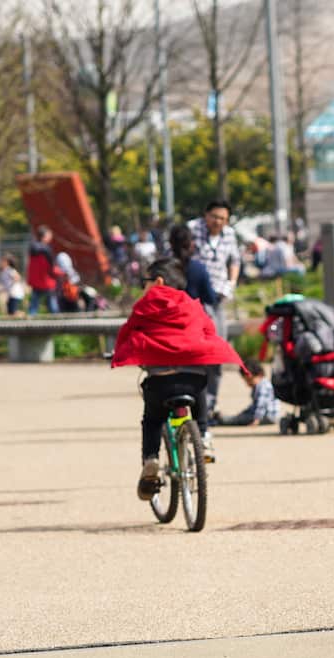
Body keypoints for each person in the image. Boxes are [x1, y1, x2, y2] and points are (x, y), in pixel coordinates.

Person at [110, 257, 242, 500]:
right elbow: (208, 332)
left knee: (152, 419)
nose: (143, 287)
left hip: (160, 382)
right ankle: (203, 436)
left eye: (145, 282)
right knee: (199, 387)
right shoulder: (193, 305)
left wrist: (119, 354)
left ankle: (151, 460)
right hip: (192, 379)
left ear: (158, 282)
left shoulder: (145, 306)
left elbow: (128, 332)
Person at [187, 200, 241, 418]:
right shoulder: (192, 230)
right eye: (214, 217)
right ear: (205, 215)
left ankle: (210, 403)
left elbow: (235, 259)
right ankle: (194, 401)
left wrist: (232, 282)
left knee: (217, 352)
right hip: (195, 299)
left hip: (218, 298)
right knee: (195, 353)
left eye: (223, 219)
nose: (218, 222)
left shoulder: (229, 234)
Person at [215, 359, 278, 426]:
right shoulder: (260, 385)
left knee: (240, 419)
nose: (248, 383)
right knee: (242, 416)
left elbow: (261, 404)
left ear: (259, 375)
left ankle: (223, 420)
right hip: (264, 414)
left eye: (249, 380)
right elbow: (255, 405)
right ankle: (225, 418)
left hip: (267, 416)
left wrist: (257, 419)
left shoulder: (263, 386)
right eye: (246, 381)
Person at [26, 225, 59, 315]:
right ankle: (57, 321)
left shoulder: (32, 248)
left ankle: (30, 321)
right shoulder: (47, 250)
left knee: (34, 304)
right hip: (46, 281)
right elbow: (51, 267)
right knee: (52, 304)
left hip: (36, 281)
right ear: (45, 236)